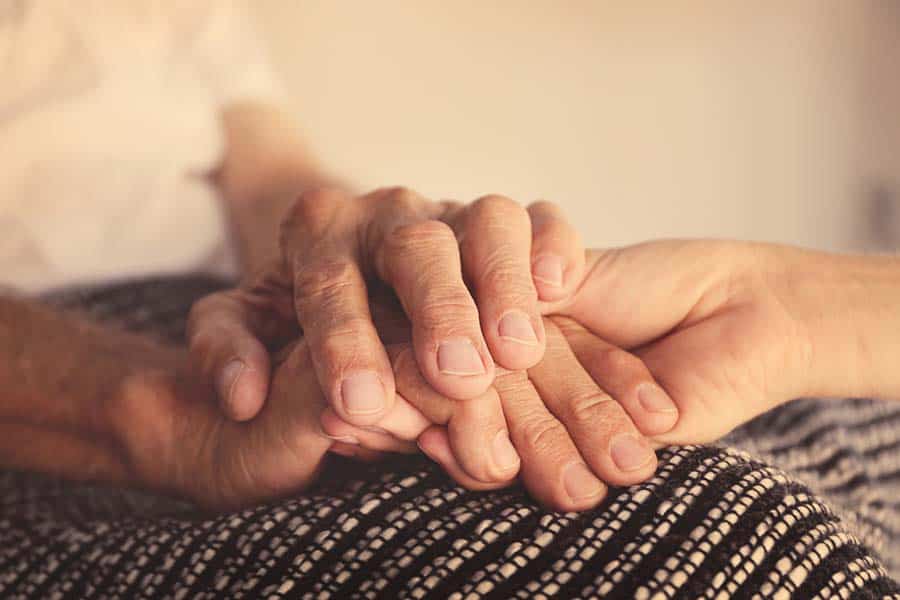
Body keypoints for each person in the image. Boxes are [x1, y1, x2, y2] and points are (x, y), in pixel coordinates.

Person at [1, 1, 897, 596]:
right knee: (710, 533)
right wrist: (160, 415)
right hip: (81, 370)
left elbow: (274, 177)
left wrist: (364, 261)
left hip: (246, 325)